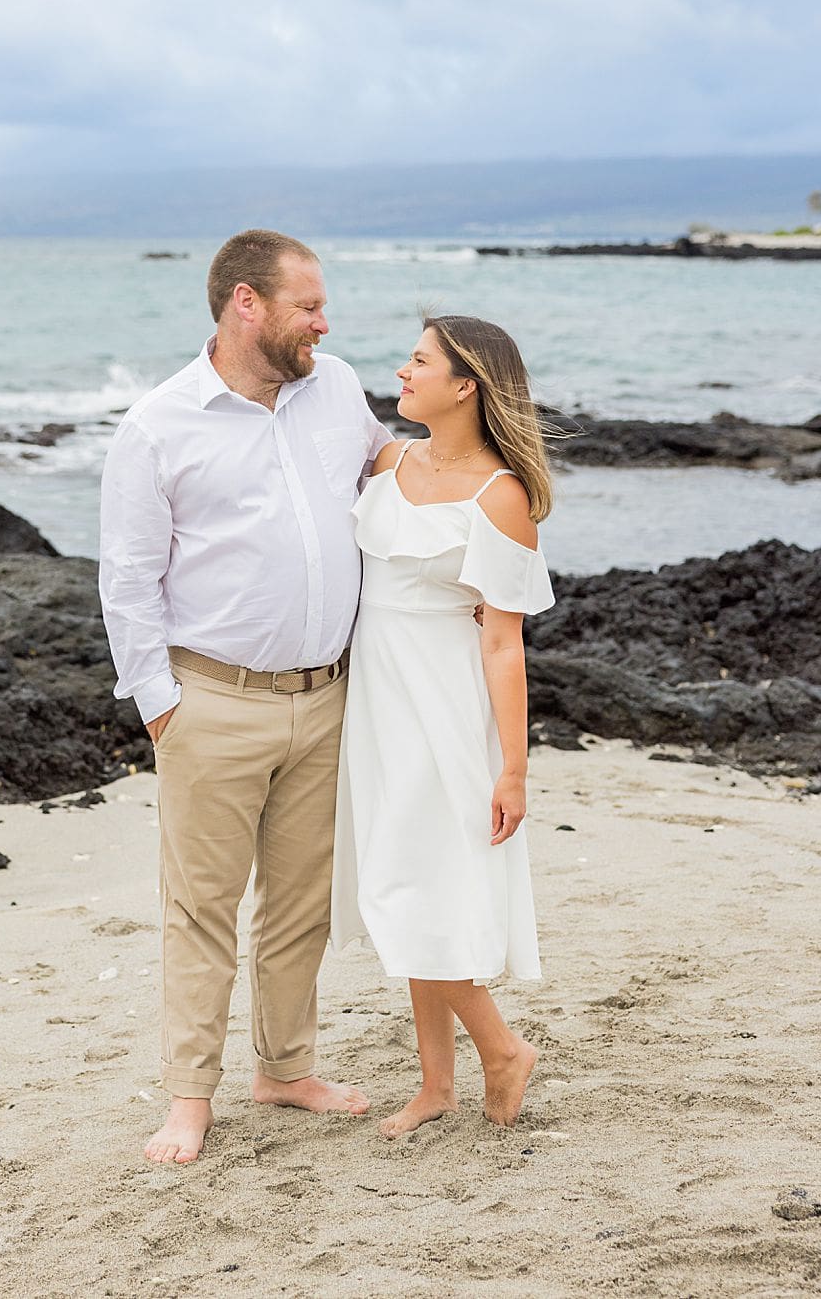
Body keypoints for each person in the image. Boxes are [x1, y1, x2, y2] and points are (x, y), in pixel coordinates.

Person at [98, 229, 392, 1165]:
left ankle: (285, 1067)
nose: (324, 319)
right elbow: (128, 579)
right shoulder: (158, 427)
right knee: (203, 910)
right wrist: (159, 701)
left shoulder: (336, 386)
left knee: (301, 902)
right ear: (245, 304)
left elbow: (384, 463)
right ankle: (190, 1096)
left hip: (328, 695)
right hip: (211, 702)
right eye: (307, 304)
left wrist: (482, 468)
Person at [330, 314, 556, 1138]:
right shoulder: (389, 459)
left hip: (443, 707)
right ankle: (436, 1084)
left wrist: (514, 769)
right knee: (409, 878)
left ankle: (502, 1049)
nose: (402, 370)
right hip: (374, 705)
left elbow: (503, 641)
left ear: (466, 384)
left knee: (410, 884)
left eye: (419, 360)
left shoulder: (502, 496)